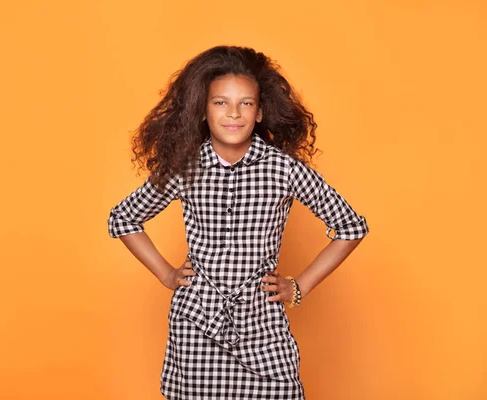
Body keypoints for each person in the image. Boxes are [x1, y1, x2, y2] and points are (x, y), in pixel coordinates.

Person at [107, 45, 369, 400]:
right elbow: (124, 218)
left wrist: (299, 286)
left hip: (262, 326)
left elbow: (351, 227)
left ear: (260, 112)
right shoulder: (185, 167)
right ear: (202, 110)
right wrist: (167, 274)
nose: (234, 113)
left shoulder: (284, 169)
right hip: (196, 328)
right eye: (220, 102)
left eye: (245, 103)